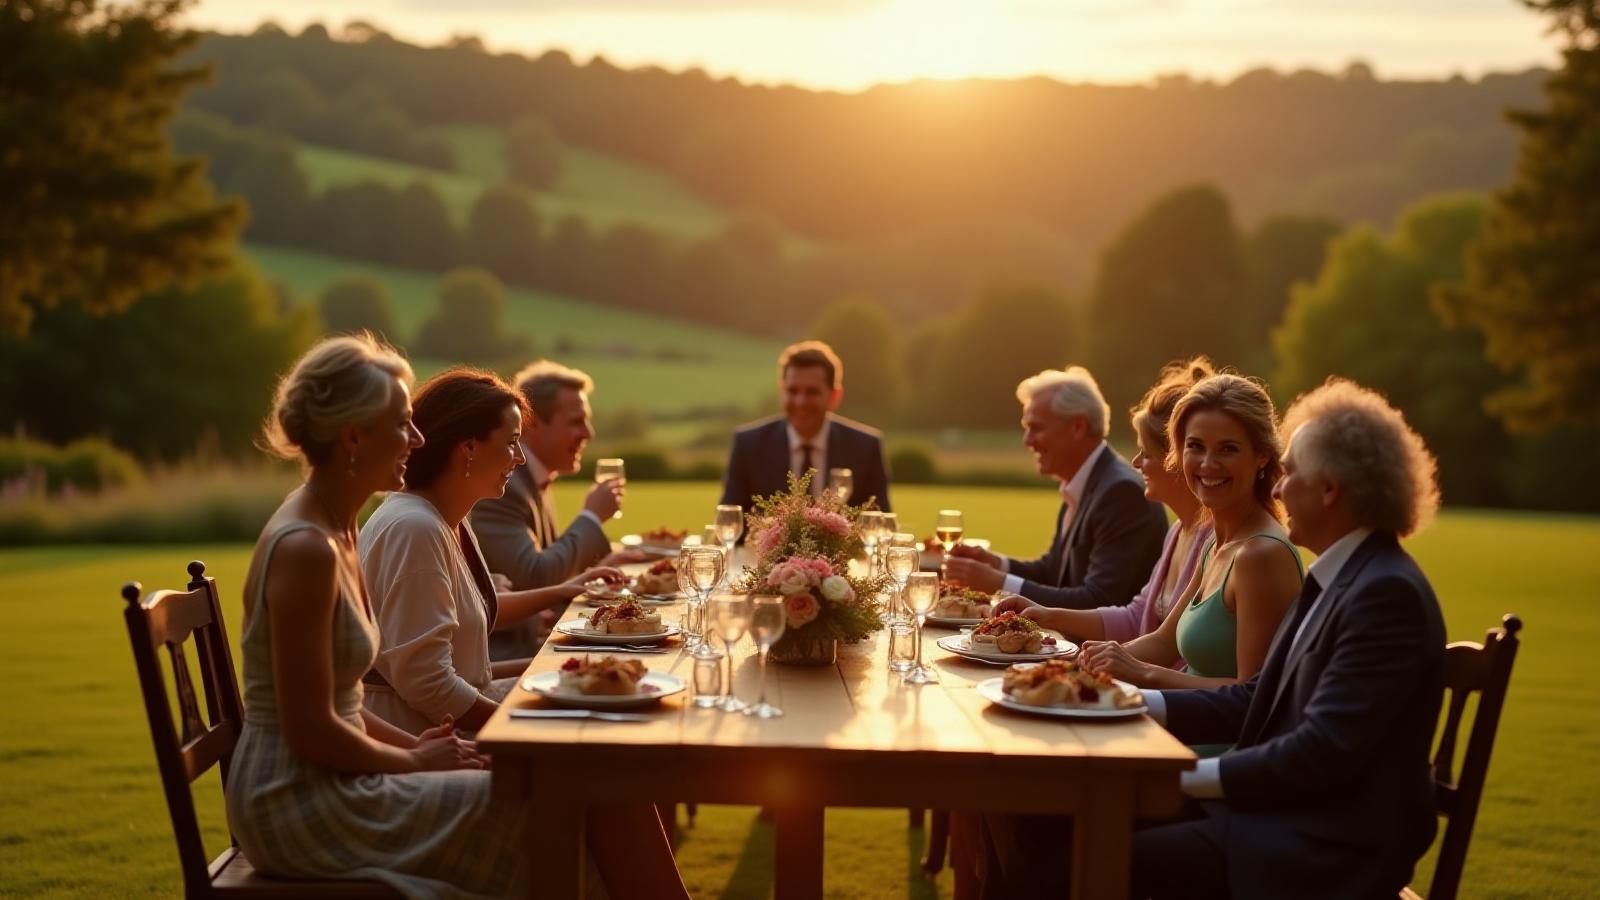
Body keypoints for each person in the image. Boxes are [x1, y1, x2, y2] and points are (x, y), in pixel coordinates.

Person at [228, 335, 688, 899]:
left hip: (347, 775)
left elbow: (340, 702)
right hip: (305, 805)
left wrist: (420, 753)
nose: (419, 438)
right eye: (402, 424)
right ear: (352, 435)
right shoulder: (308, 546)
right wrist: (412, 759)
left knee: (599, 785)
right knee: (576, 796)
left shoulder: (339, 525)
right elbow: (312, 727)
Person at [1130, 378, 1447, 900]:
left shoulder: (1386, 594)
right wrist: (1132, 702)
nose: (1277, 489)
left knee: (1096, 849)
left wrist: (1181, 777)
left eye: (1291, 473)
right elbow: (1255, 698)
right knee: (1076, 829)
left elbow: (1319, 751)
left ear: (1329, 489)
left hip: (1322, 850)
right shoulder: (1347, 575)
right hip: (1281, 822)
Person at [360, 368, 624, 735]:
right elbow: (429, 686)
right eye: (512, 442)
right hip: (423, 737)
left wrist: (564, 595)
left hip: (451, 718)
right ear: (468, 447)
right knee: (600, 740)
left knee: (608, 711)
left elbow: (471, 632)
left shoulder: (447, 517)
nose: (518, 459)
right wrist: (520, 728)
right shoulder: (415, 529)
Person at [1074, 373, 1305, 691]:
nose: (1208, 464)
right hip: (1178, 726)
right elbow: (1163, 643)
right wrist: (1069, 667)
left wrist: (1143, 675)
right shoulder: (1216, 542)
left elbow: (1252, 696)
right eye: (1195, 446)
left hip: (1210, 740)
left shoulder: (1260, 555)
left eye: (1228, 449)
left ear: (1261, 455)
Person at [993, 358, 1216, 647]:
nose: (1136, 463)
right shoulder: (1177, 533)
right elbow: (1138, 618)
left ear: (1176, 459)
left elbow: (1104, 601)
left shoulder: (1123, 491)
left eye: (1145, 454)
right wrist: (1002, 571)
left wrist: (999, 582)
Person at [942, 365, 1166, 610]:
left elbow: (1098, 601)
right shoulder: (1086, 481)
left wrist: (999, 583)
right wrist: (997, 564)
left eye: (1036, 427)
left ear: (1077, 427)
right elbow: (1053, 571)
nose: (1027, 441)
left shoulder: (1121, 492)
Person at [470, 360, 642, 659]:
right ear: (532, 422)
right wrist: (590, 517)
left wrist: (600, 567)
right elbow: (535, 576)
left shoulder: (535, 480)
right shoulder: (505, 487)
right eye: (576, 421)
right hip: (506, 656)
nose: (588, 433)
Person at [720, 340, 891, 513]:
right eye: (792, 391)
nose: (800, 402)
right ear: (781, 390)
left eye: (812, 392)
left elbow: (880, 525)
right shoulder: (749, 445)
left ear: (834, 396)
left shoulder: (865, 448)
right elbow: (729, 522)